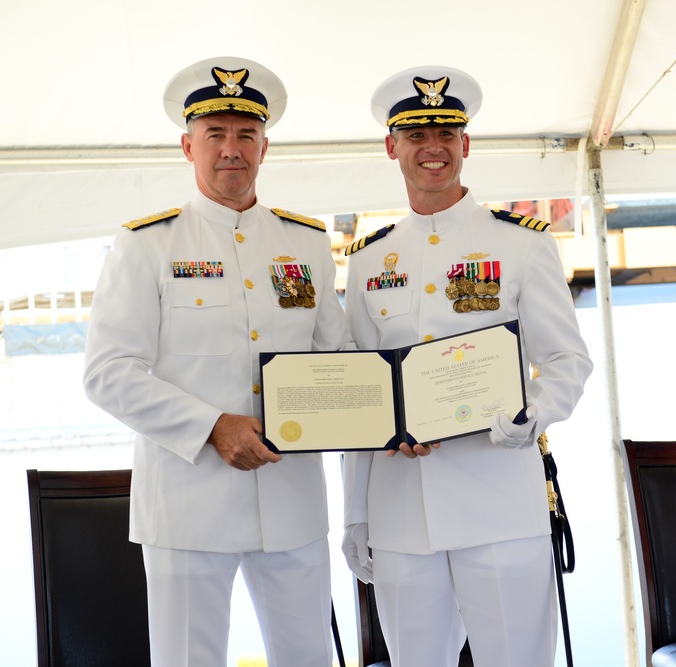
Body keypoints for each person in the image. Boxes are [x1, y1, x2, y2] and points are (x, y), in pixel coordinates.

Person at [83, 56, 350, 667]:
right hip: (187, 509)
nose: (233, 150)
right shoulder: (147, 243)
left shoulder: (304, 243)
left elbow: (336, 358)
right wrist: (213, 426)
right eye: (216, 135)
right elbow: (108, 372)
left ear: (264, 146)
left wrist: (396, 415)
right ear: (188, 146)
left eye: (246, 135)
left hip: (292, 505)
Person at [339, 66, 592, 667]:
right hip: (401, 514)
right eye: (417, 133)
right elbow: (359, 392)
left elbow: (567, 361)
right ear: (392, 146)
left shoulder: (522, 245)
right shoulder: (369, 261)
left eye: (447, 132)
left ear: (466, 144)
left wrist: (533, 415)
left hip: (499, 502)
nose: (434, 147)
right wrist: (355, 517)